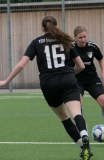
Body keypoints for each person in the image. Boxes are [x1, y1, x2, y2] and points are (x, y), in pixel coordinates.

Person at [0, 16, 93, 160]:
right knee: (76, 113)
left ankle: (82, 147)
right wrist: (68, 73)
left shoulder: (36, 42)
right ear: (56, 26)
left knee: (64, 118)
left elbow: (21, 65)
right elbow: (81, 65)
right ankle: (85, 135)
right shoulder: (66, 41)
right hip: (68, 80)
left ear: (42, 28)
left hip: (48, 84)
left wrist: (6, 81)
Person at [73, 26, 104, 138]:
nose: (83, 40)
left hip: (92, 79)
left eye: (85, 36)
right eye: (80, 37)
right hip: (76, 80)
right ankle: (82, 132)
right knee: (78, 104)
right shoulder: (70, 48)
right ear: (75, 37)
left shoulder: (93, 46)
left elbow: (101, 58)